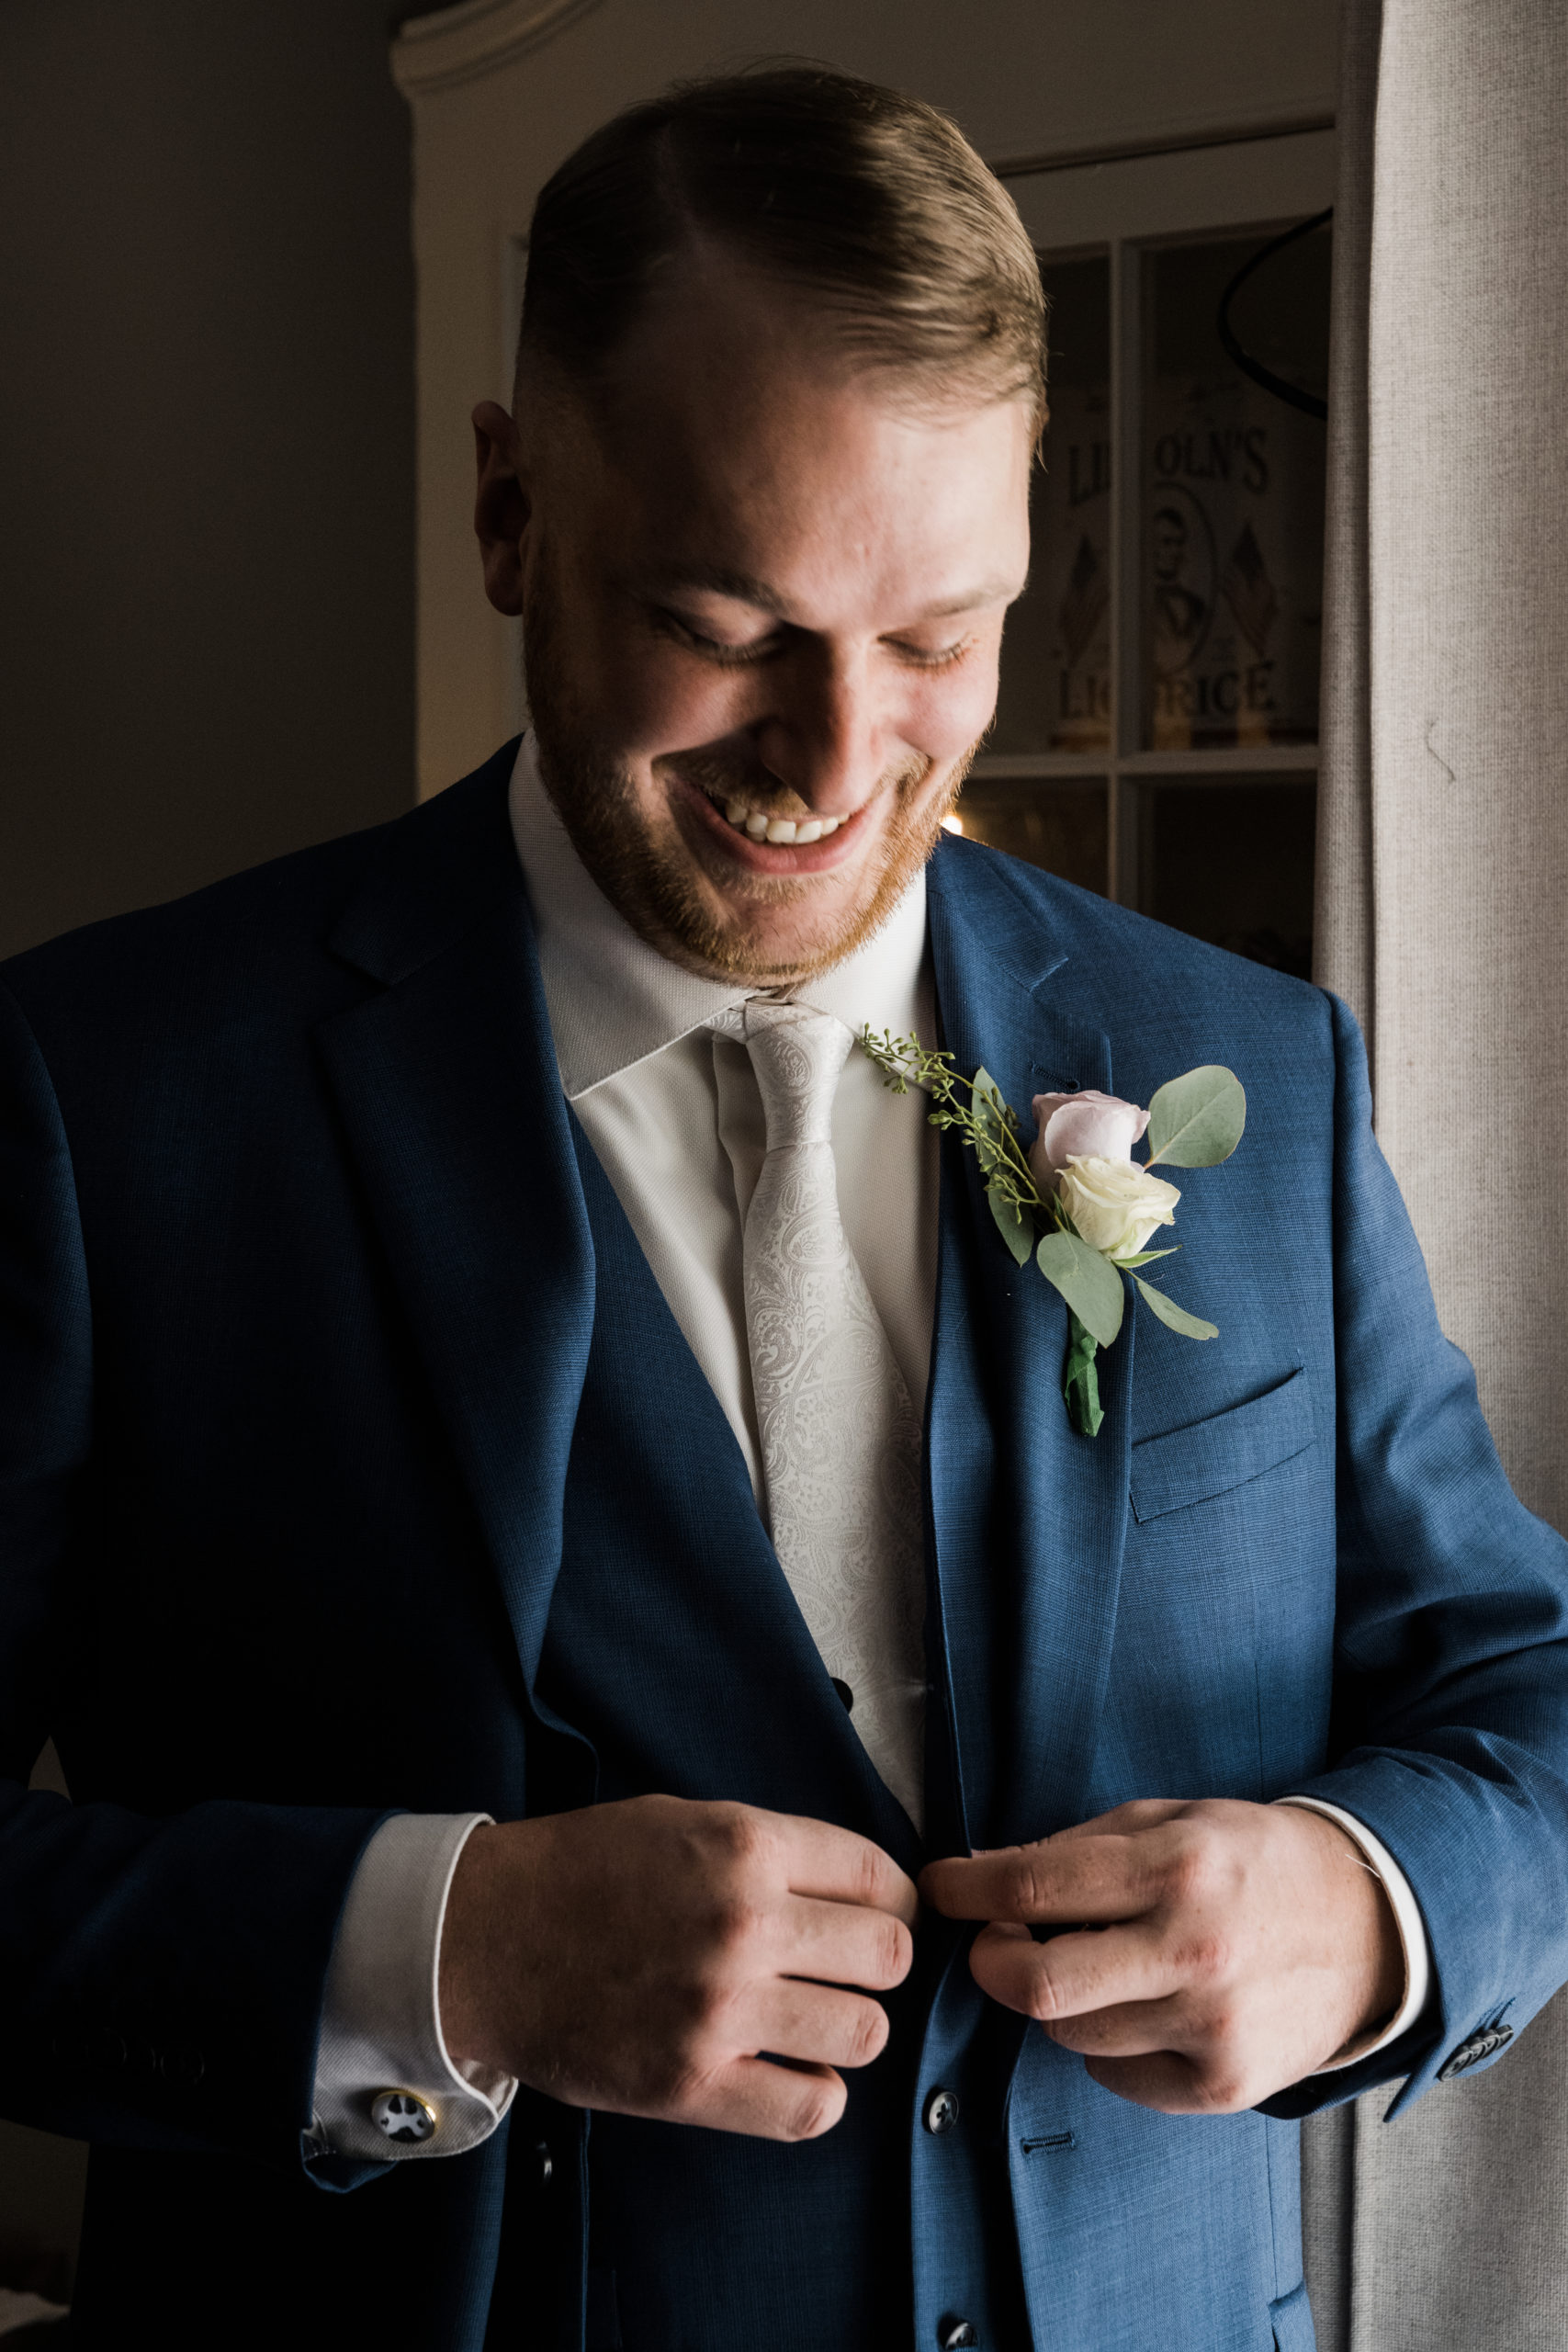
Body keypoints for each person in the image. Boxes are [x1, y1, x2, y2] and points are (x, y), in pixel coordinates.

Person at [3, 66, 1566, 2352]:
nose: (838, 766)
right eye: (730, 622)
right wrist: (445, 1949)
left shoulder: (1257, 1064)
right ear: (511, 508)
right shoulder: (103, 1092)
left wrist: (1364, 1901)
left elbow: (1516, 1689)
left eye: (939, 638)